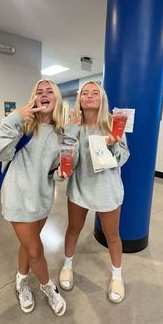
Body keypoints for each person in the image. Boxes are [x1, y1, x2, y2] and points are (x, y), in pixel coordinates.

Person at [0, 79, 66, 316]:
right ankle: (48, 287)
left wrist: (60, 175)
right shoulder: (22, 125)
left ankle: (21, 281)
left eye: (49, 91)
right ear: (33, 98)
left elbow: (52, 170)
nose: (44, 94)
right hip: (18, 199)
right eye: (39, 91)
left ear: (56, 99)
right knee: (35, 251)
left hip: (42, 200)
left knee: (27, 244)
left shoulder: (59, 133)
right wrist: (14, 117)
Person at [59, 81, 130, 303]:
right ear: (80, 100)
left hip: (107, 190)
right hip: (80, 187)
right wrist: (70, 134)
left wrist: (112, 145)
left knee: (112, 236)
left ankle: (117, 276)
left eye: (95, 93)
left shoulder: (112, 123)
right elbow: (70, 160)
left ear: (102, 98)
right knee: (73, 229)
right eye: (85, 93)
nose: (89, 96)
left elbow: (124, 158)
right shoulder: (74, 125)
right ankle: (67, 265)